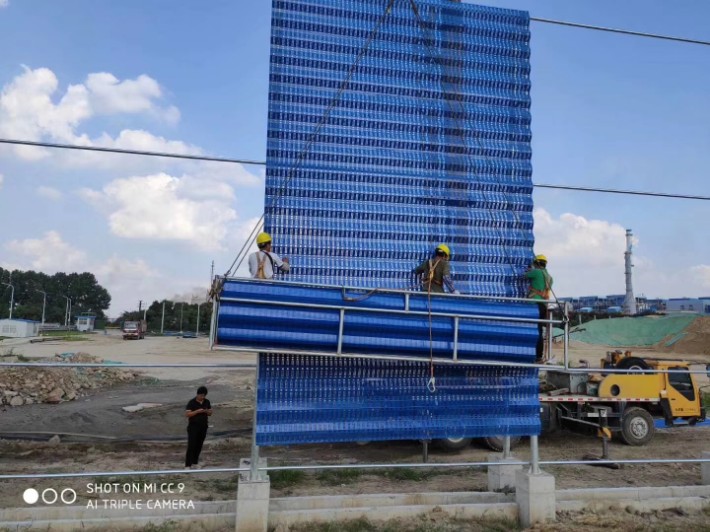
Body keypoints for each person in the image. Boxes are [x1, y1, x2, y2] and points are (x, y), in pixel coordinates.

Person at [525, 254, 553, 363]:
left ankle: (531, 354)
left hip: (534, 304)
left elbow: (524, 276)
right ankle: (539, 356)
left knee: (532, 330)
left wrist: (528, 270)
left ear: (536, 263)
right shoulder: (550, 277)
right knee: (539, 330)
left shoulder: (536, 272)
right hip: (543, 305)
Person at [185, 385, 212, 469]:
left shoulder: (207, 402)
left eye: (203, 396)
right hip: (193, 427)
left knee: (199, 445)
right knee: (191, 445)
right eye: (200, 395)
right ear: (197, 394)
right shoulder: (192, 402)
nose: (202, 397)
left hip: (203, 426)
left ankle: (195, 462)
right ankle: (187, 465)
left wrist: (206, 411)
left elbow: (210, 413)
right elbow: (188, 414)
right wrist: (197, 411)